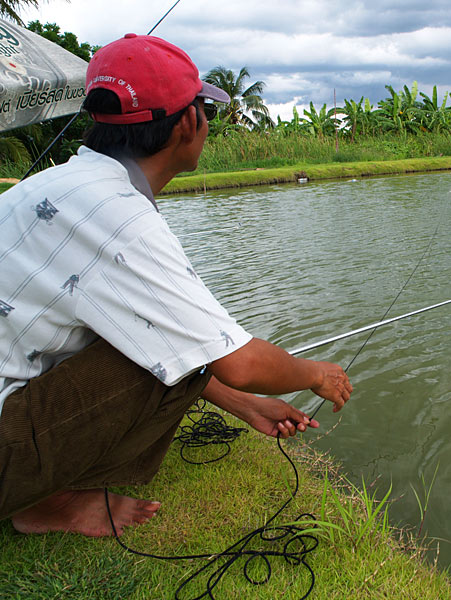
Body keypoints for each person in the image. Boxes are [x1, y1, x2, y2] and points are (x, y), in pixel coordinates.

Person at [0, 34, 352, 538]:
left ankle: (43, 494)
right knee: (167, 345)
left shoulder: (57, 184)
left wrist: (244, 404)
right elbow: (238, 360)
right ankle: (51, 500)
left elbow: (188, 350)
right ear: (190, 122)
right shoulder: (121, 218)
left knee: (158, 335)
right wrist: (315, 374)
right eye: (206, 110)